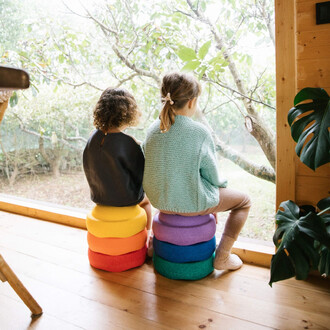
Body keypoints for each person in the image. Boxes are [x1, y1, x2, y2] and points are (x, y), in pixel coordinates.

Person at [143, 72, 251, 270]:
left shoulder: (151, 130)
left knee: (173, 184)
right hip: (191, 203)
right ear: (192, 102)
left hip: (160, 201)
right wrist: (219, 191)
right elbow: (213, 176)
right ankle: (223, 256)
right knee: (244, 201)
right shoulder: (199, 132)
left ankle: (152, 246)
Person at [83, 87, 152, 235]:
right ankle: (148, 238)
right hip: (125, 200)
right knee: (146, 201)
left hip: (99, 197)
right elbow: (141, 177)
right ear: (127, 114)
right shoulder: (129, 142)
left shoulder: (92, 137)